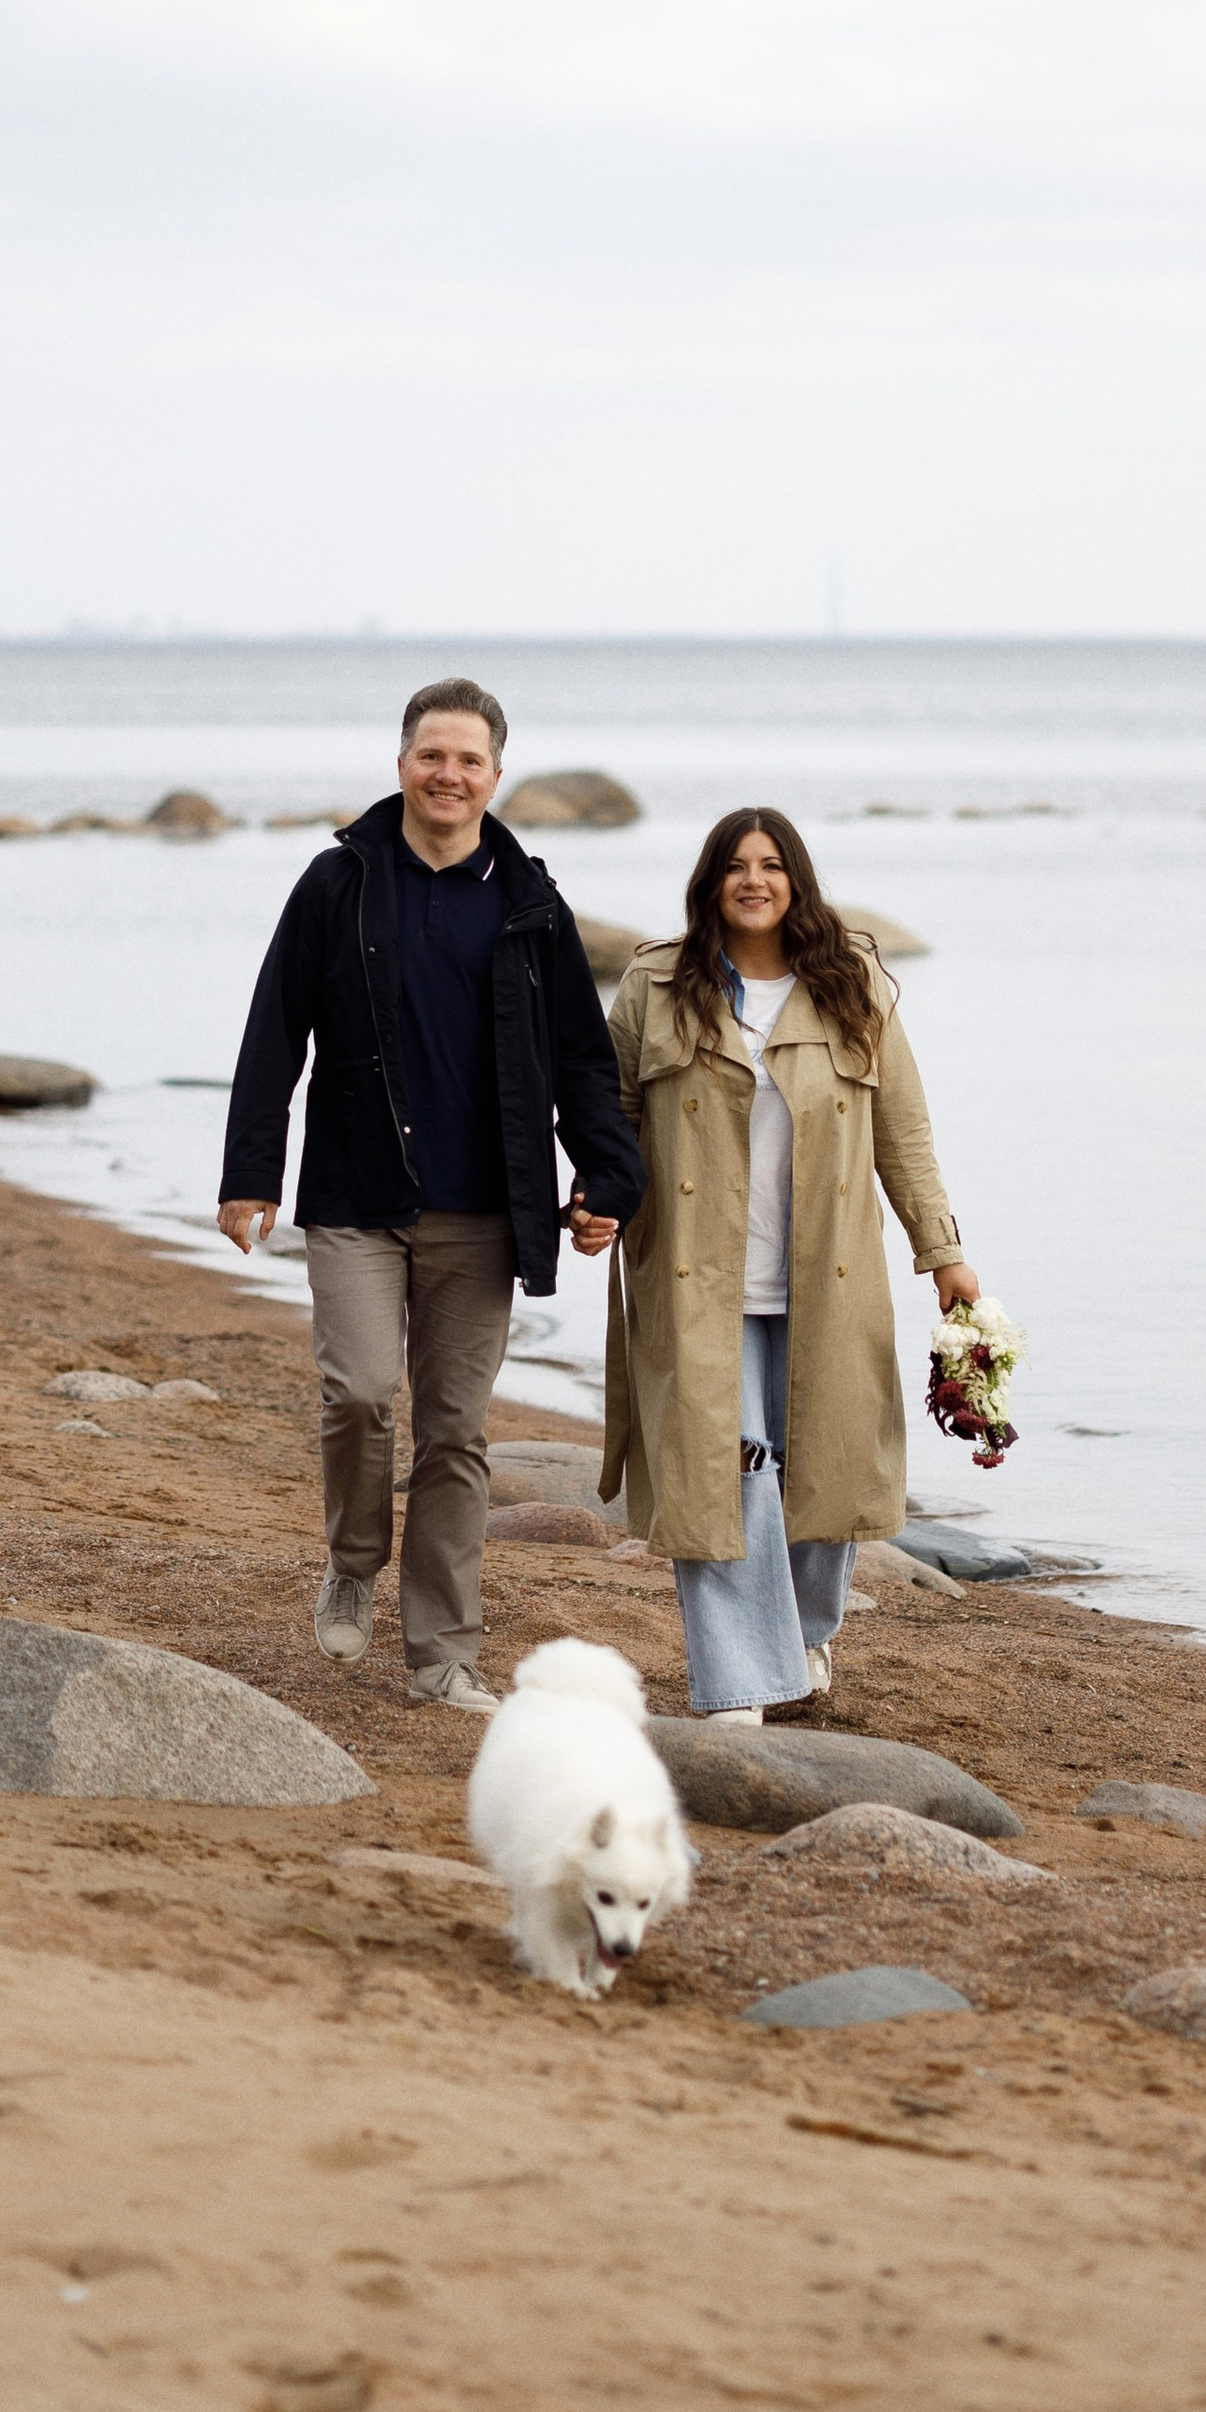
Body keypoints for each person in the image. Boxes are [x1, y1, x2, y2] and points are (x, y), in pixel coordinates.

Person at [217, 678, 646, 1716]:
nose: (447, 774)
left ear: (496, 776)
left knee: (455, 1434)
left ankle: (441, 1653)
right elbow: (276, 1029)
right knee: (360, 1393)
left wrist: (607, 1177)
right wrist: (248, 1175)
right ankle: (354, 1558)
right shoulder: (339, 883)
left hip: (486, 1208)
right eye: (430, 755)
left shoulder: (531, 905)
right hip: (356, 1198)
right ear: (401, 763)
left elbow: (582, 1061)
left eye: (468, 760)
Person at [593, 808, 978, 1722]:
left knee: (826, 1474)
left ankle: (802, 1632)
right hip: (697, 1281)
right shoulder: (655, 985)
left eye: (771, 865)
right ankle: (739, 1684)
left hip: (828, 1279)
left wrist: (944, 1252)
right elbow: (610, 1118)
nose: (753, 880)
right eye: (735, 866)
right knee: (723, 1472)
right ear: (710, 882)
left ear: (797, 879)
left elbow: (905, 1133)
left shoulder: (854, 988)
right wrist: (594, 1200)